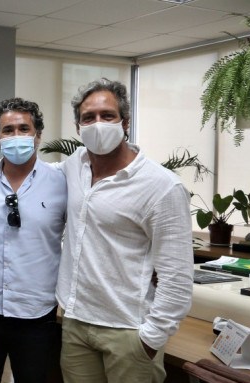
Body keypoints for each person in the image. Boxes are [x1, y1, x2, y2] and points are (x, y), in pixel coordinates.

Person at [56, 78, 193, 382]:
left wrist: (150, 339)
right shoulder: (74, 165)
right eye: (88, 117)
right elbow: (38, 176)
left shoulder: (161, 186)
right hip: (76, 323)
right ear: (78, 128)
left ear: (125, 122)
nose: (98, 124)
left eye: (107, 115)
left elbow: (177, 276)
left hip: (128, 331)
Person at [0, 97, 66, 383]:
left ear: (38, 136)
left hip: (38, 315)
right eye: (8, 130)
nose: (16, 136)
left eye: (24, 129)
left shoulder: (62, 181)